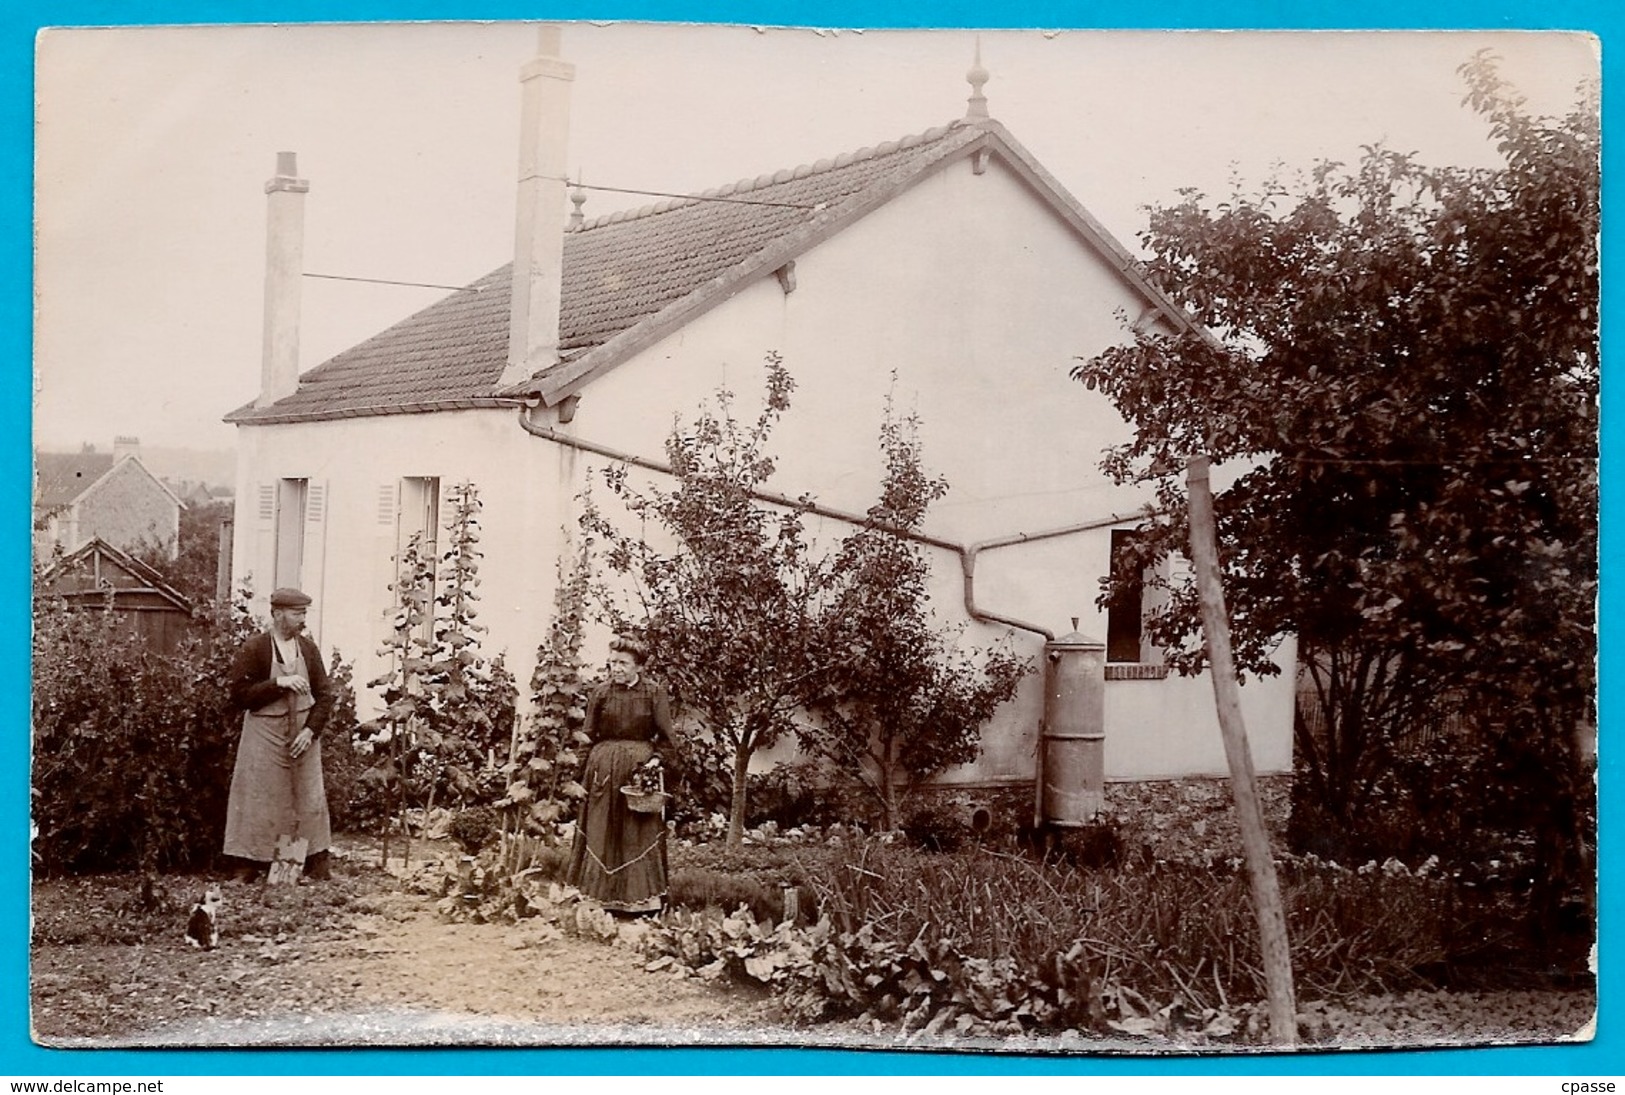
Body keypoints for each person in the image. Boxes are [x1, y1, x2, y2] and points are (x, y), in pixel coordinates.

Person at [223, 587, 336, 883]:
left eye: (304, 614)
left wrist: (311, 731)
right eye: (297, 614)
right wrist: (280, 683)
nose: (302, 620)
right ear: (277, 614)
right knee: (256, 797)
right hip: (264, 734)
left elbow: (325, 696)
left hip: (302, 734)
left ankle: (313, 863)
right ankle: (246, 866)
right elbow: (240, 696)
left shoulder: (308, 650)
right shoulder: (256, 648)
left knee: (309, 797)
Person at [565, 636, 679, 913]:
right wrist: (576, 776)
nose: (616, 668)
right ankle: (597, 899)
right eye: (612, 662)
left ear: (638, 666)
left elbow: (667, 739)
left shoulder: (654, 693)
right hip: (601, 771)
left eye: (623, 663)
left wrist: (655, 761)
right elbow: (587, 736)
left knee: (634, 833)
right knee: (600, 830)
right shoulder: (601, 693)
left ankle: (640, 903)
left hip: (638, 774)